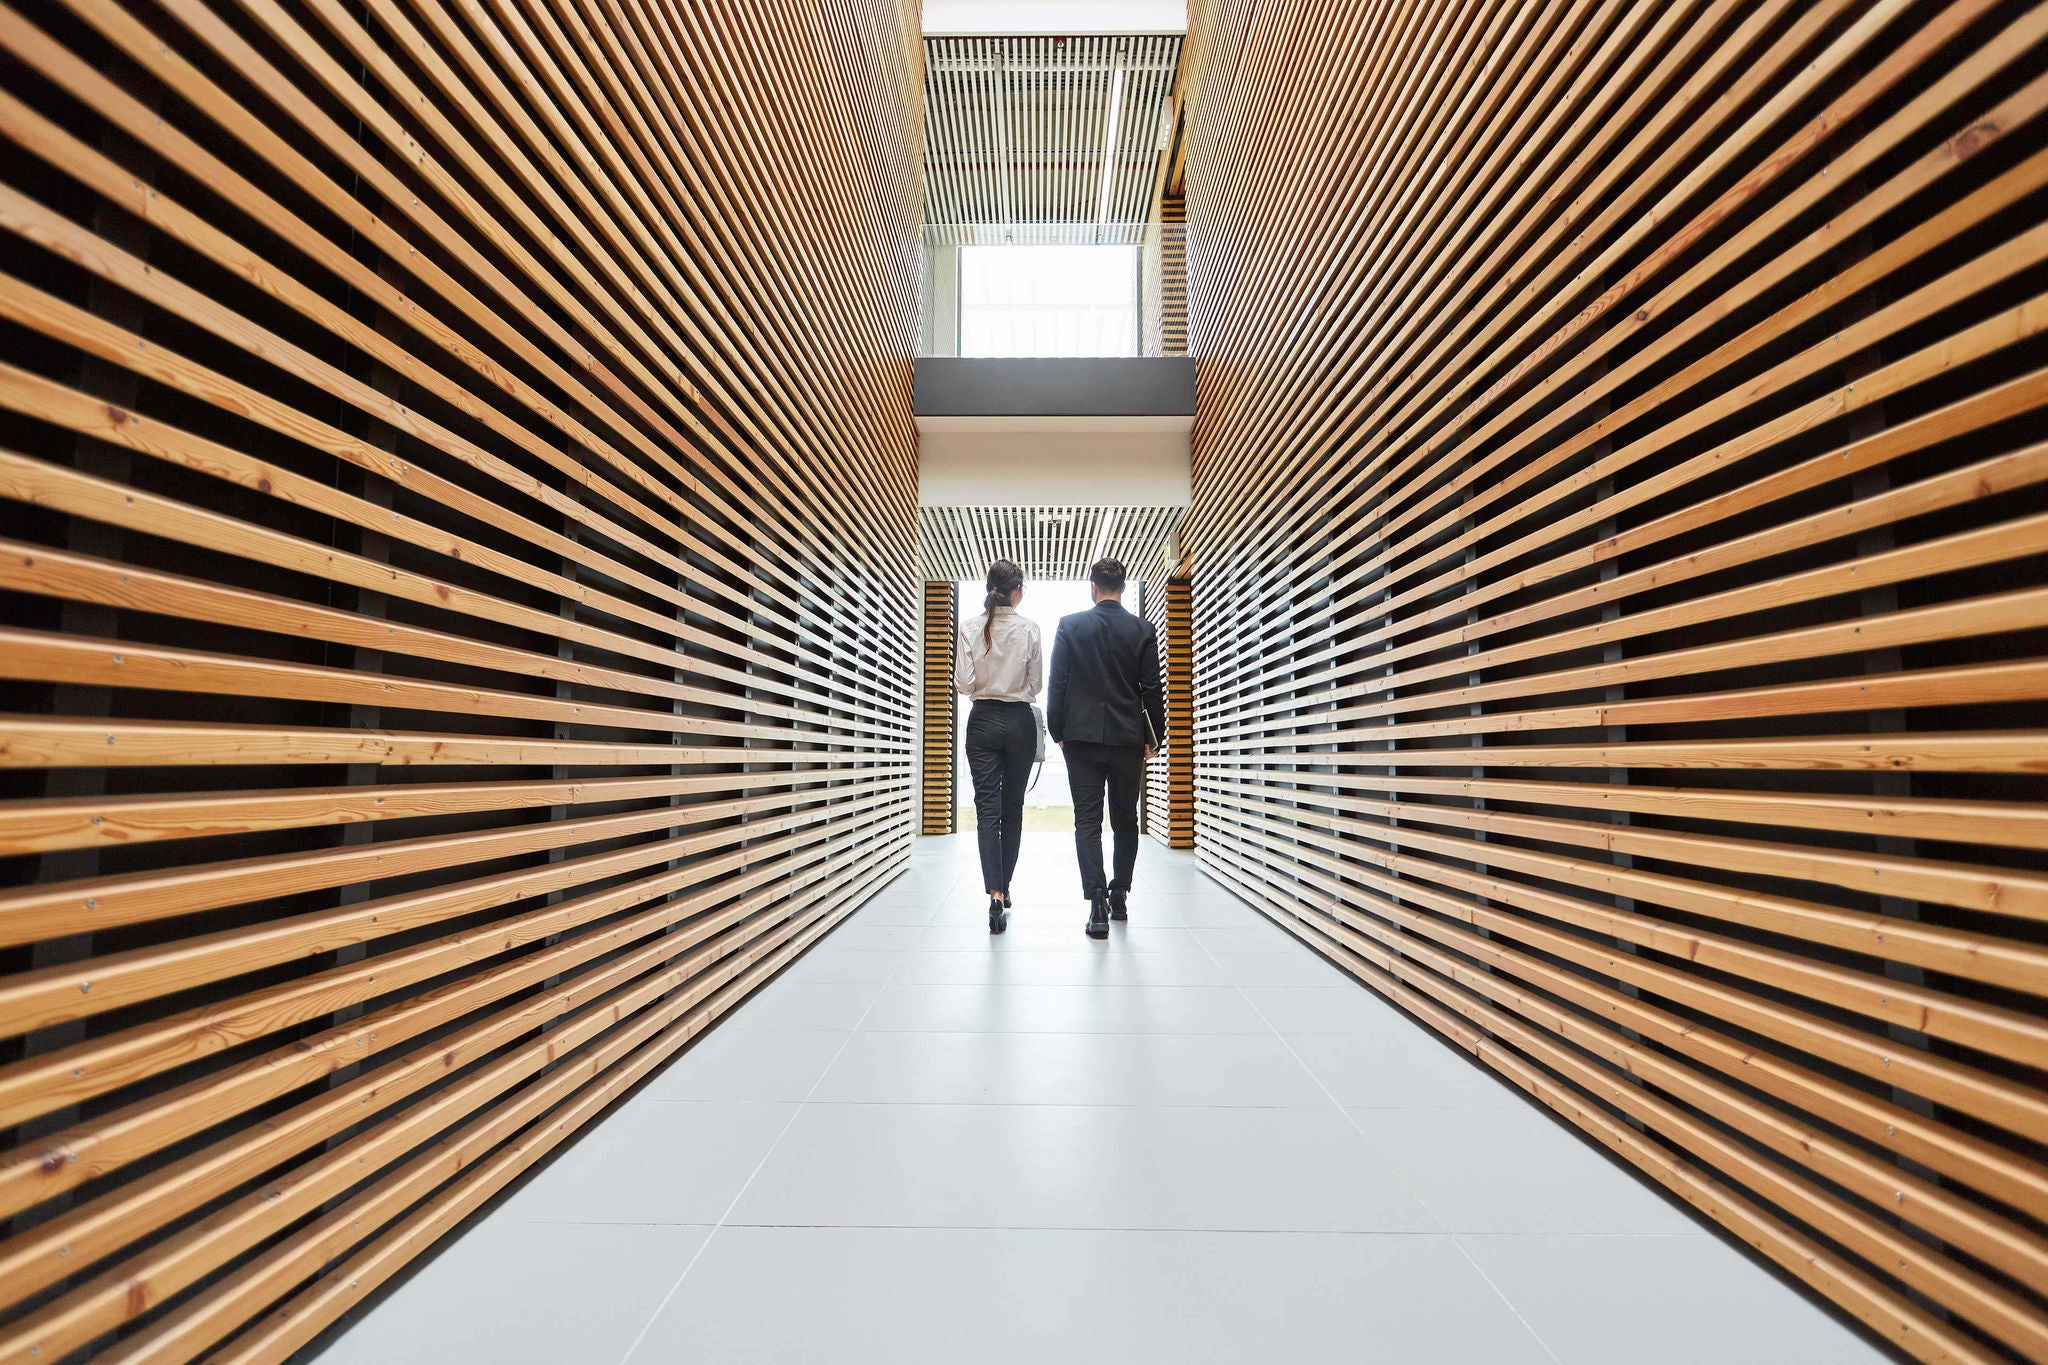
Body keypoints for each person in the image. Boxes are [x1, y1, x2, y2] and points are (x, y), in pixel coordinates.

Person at [1046, 557, 1165, 939]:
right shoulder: (1142, 630)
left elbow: (1058, 682)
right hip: (1128, 737)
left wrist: (1057, 730)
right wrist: (1154, 736)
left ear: (1092, 587)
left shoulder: (1070, 625)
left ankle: (1095, 901)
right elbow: (1151, 689)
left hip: (1080, 738)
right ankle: (1119, 895)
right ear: (1124, 587)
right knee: (1126, 819)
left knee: (1087, 821)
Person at [955, 559, 1042, 934]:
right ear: (1017, 591)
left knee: (986, 810)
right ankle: (1005, 887)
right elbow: (1036, 684)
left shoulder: (970, 627)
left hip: (983, 722)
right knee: (1013, 810)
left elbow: (962, 683)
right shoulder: (1030, 629)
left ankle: (994, 893)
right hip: (1020, 722)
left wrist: (984, 690)